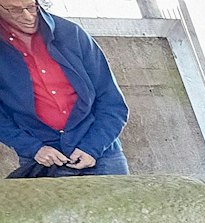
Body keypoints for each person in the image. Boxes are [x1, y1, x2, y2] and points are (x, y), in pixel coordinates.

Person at [0, 0, 128, 178]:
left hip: (100, 152)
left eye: (31, 6)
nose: (28, 16)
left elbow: (112, 102)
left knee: (122, 206)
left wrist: (93, 146)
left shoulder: (72, 34)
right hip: (42, 158)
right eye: (15, 10)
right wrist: (32, 147)